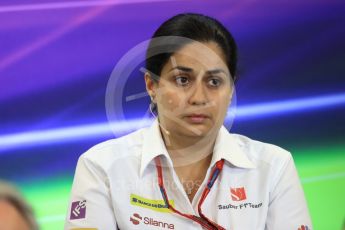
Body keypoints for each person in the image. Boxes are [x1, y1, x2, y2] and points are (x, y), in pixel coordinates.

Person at [65, 13, 312, 229]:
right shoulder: (102, 167)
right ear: (152, 85)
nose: (199, 98)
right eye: (182, 79)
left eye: (214, 82)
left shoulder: (273, 167)